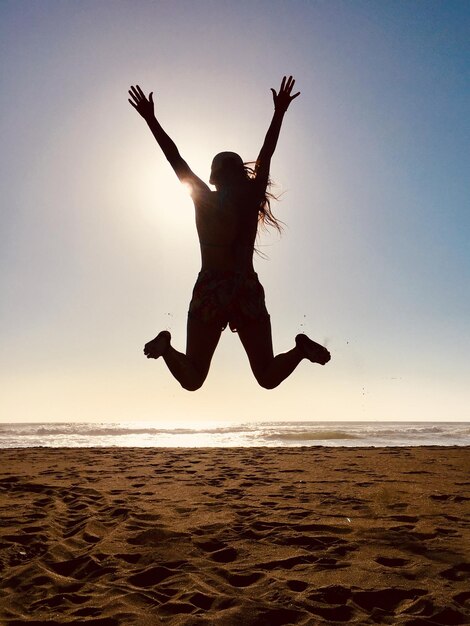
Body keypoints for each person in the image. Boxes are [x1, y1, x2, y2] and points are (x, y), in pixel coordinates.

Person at [128, 76, 330, 391]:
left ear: (214, 176)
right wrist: (279, 113)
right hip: (245, 287)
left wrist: (151, 119)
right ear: (240, 172)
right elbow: (267, 155)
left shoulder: (203, 198)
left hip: (211, 287)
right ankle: (300, 349)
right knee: (267, 376)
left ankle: (167, 347)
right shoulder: (251, 199)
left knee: (193, 379)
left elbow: (175, 159)